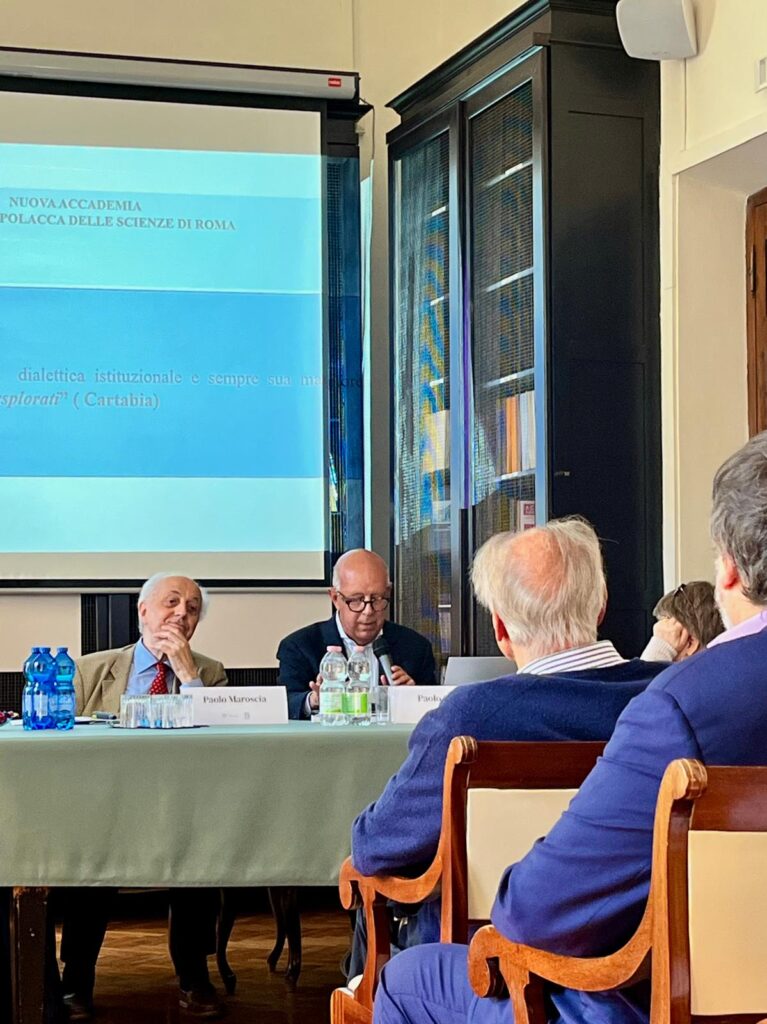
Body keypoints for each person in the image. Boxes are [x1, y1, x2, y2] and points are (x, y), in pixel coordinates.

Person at [373, 430, 767, 1024]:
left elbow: (531, 913)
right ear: (601, 607)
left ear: (730, 570)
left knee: (406, 978)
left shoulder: (682, 707)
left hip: (641, 999)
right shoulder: (668, 693)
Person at [348, 518, 667, 976]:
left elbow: (376, 846)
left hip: (485, 968)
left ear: (500, 627)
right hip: (640, 962)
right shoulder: (671, 701)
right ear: (600, 607)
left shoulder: (469, 718)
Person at [61, 573, 227, 1021]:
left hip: (181, 806)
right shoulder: (90, 670)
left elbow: (222, 749)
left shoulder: (210, 672)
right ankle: (76, 979)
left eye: (192, 609)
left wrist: (188, 677)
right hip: (105, 804)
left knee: (198, 852)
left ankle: (194, 975)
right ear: (143, 611)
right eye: (172, 603)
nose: (182, 614)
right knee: (89, 856)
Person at [277, 549, 437, 719]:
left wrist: (415, 698)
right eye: (357, 600)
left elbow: (437, 713)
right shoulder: (300, 646)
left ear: (388, 593)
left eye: (376, 599)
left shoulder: (416, 647)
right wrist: (314, 700)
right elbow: (285, 704)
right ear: (335, 598)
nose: (368, 611)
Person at [641, 579, 724, 662]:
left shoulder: (691, 671)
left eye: (665, 635)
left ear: (690, 643)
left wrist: (660, 649)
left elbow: (643, 671)